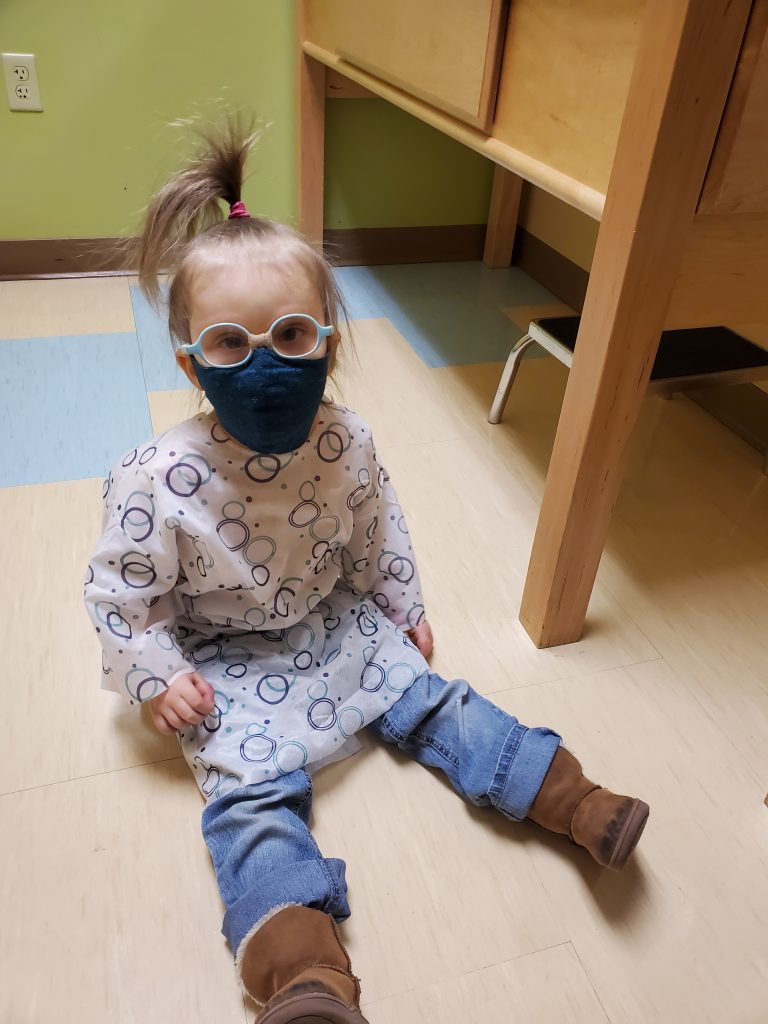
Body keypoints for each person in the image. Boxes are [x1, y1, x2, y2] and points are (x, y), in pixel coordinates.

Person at [84, 124, 649, 1024]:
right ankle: (301, 969)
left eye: (291, 334)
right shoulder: (157, 477)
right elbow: (121, 596)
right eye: (229, 344)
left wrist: (400, 605)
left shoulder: (347, 440)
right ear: (191, 361)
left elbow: (376, 530)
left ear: (330, 344)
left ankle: (571, 797)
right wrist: (156, 675)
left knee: (436, 701)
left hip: (334, 620)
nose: (265, 363)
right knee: (249, 802)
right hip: (222, 661)